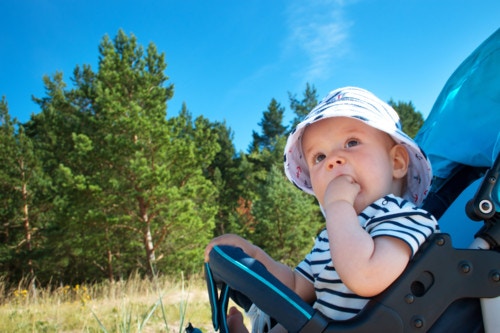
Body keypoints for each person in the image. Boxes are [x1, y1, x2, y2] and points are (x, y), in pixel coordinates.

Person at [205, 86, 439, 332]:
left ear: (397, 162)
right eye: (318, 157)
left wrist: (338, 205)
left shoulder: (406, 217)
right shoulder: (332, 235)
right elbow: (297, 288)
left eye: (351, 142)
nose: (332, 160)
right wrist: (254, 257)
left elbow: (367, 277)